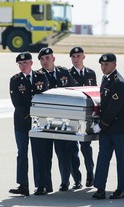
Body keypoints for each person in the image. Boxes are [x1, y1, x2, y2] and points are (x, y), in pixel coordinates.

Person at [92, 53, 124, 199]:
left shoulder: (118, 82)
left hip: (121, 127)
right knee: (103, 157)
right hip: (108, 127)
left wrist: (101, 125)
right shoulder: (106, 79)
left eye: (106, 64)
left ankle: (122, 188)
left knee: (122, 159)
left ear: (114, 65)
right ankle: (100, 188)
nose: (103, 67)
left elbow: (113, 109)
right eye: (102, 65)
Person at [36, 47, 76, 192]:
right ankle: (47, 185)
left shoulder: (64, 72)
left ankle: (65, 181)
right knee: (46, 155)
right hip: (46, 121)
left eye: (47, 58)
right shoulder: (37, 76)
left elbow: (73, 90)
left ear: (53, 59)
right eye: (42, 59)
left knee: (63, 153)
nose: (44, 61)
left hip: (63, 120)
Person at [9, 52, 48, 196]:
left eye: (25, 63)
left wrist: (38, 114)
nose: (23, 66)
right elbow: (17, 103)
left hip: (38, 122)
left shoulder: (40, 77)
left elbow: (44, 96)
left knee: (39, 154)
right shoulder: (15, 80)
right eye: (20, 63)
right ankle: (23, 185)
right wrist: (31, 114)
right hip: (22, 122)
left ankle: (41, 185)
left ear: (31, 63)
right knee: (22, 154)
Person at [68, 46, 97, 189]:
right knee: (73, 149)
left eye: (78, 56)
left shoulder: (91, 73)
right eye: (73, 56)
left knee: (86, 148)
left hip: (87, 116)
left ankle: (91, 174)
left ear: (83, 57)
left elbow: (96, 94)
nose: (76, 59)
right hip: (73, 116)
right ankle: (77, 179)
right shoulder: (67, 74)